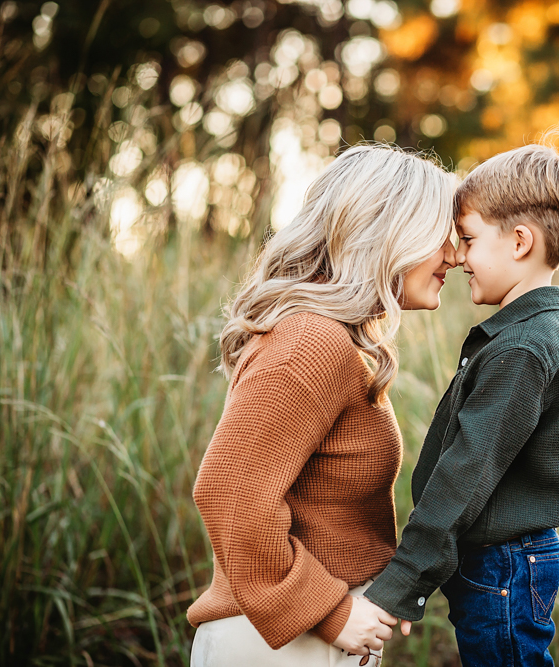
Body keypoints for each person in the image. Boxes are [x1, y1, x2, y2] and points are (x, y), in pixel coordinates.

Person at [187, 144, 457, 667]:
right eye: (438, 235)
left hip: (304, 636)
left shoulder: (337, 341)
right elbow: (230, 491)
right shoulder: (313, 341)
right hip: (279, 645)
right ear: (389, 231)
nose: (453, 254)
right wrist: (329, 611)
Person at [363, 144, 559, 666]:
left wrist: (405, 577)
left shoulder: (523, 349)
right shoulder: (520, 335)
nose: (459, 257)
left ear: (519, 242)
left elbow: (465, 473)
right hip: (498, 566)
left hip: (505, 569)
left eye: (467, 239)